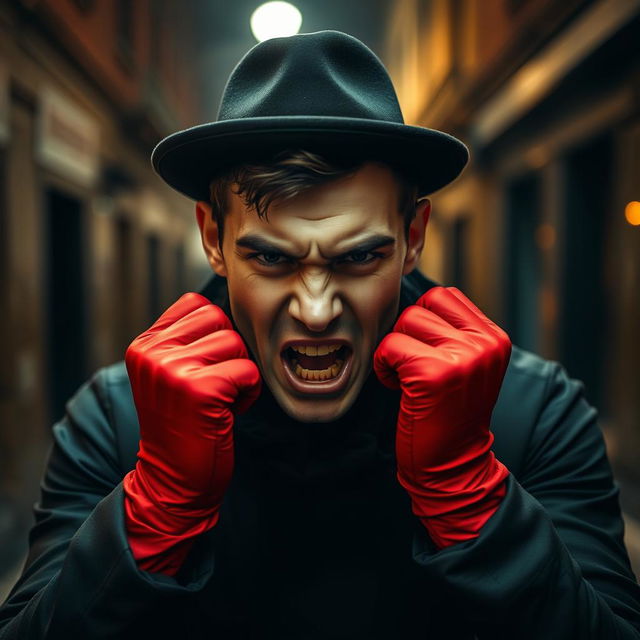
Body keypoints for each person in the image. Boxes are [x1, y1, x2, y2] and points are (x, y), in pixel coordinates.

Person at [1, 30, 639, 639]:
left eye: (357, 258)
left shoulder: (536, 414)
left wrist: (471, 495)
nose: (314, 309)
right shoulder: (116, 421)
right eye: (273, 259)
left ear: (413, 237)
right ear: (211, 238)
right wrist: (155, 506)